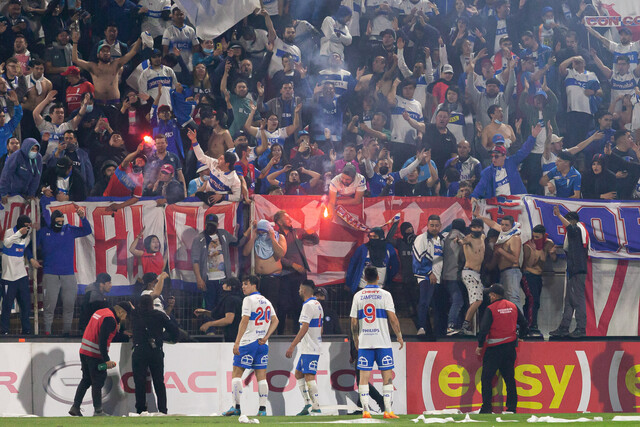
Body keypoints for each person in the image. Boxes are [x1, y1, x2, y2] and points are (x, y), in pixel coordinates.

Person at [350, 266, 403, 419]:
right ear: (378, 277)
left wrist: (356, 340)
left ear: (364, 278)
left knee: (363, 378)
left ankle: (365, 410)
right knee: (387, 377)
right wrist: (399, 336)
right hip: (383, 343)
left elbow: (354, 322)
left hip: (365, 343)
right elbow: (393, 318)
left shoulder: (358, 296)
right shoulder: (385, 295)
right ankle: (388, 410)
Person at [223, 275, 279, 417]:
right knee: (261, 377)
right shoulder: (266, 301)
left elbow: (244, 320)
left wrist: (237, 342)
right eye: (242, 284)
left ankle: (236, 407)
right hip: (262, 344)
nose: (243, 287)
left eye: (246, 284)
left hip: (248, 342)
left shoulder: (248, 300)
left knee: (236, 374)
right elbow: (275, 320)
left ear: (254, 285)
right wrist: (266, 336)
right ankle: (262, 409)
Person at [35, 206, 92, 335]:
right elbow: (31, 246)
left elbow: (87, 230)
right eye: (58, 221)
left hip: (68, 274)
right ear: (53, 221)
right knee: (49, 306)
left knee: (69, 305)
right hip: (50, 274)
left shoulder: (69, 230)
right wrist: (32, 258)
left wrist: (82, 217)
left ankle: (67, 332)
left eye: (62, 221)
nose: (60, 224)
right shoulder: (44, 232)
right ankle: (47, 332)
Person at [476, 284, 528, 414]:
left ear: (493, 295)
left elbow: (483, 330)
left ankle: (487, 408)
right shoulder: (513, 306)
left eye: (490, 294)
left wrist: (480, 345)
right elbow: (524, 323)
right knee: (509, 379)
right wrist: (521, 336)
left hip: (494, 350)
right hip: (510, 348)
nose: (489, 296)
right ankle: (511, 408)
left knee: (486, 378)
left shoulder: (491, 309)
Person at [130, 294, 179, 414]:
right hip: (155, 350)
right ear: (152, 304)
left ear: (139, 304)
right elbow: (174, 330)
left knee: (139, 381)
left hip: (139, 350)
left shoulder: (135, 315)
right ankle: (162, 410)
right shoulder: (159, 315)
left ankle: (140, 409)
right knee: (158, 382)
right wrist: (163, 337)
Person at [471, 124, 542, 203]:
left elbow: (524, 150)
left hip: (518, 202)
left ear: (504, 156)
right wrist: (474, 196)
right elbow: (480, 186)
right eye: (493, 156)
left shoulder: (512, 161)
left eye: (496, 156)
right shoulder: (487, 172)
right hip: (499, 205)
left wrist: (533, 137)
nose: (493, 159)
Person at [273, 210, 319, 334]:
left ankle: (297, 334)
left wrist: (312, 232)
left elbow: (315, 240)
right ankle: (280, 334)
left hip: (300, 276)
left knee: (299, 305)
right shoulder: (275, 235)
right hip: (284, 275)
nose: (290, 220)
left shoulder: (297, 232)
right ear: (279, 221)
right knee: (282, 305)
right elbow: (277, 255)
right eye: (287, 218)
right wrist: (293, 264)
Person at [71, 30, 141, 105]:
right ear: (98, 55)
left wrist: (140, 38)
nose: (106, 53)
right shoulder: (93, 66)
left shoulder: (116, 64)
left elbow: (132, 52)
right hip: (99, 103)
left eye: (107, 51)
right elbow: (75, 59)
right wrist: (75, 42)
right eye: (103, 51)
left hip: (115, 102)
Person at [285, 280, 323, 416]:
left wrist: (292, 346)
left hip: (310, 348)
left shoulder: (308, 306)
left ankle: (316, 406)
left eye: (300, 288)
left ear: (304, 290)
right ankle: (307, 404)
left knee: (309, 376)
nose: (298, 291)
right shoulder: (317, 304)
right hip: (310, 346)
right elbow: (320, 327)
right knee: (299, 374)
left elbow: (304, 328)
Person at [550, 207, 589, 338]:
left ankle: (581, 328)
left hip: (577, 269)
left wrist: (559, 215)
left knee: (577, 299)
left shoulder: (576, 229)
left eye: (566, 221)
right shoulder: (578, 233)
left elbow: (571, 229)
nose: (564, 224)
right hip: (574, 269)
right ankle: (564, 327)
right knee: (569, 300)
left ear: (572, 221)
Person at [191, 214, 237, 311]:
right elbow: (195, 261)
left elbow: (237, 242)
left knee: (223, 307)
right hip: (208, 280)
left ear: (217, 224)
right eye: (208, 225)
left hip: (224, 279)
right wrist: (199, 279)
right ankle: (209, 326)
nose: (210, 227)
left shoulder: (223, 234)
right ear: (205, 224)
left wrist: (247, 232)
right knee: (209, 307)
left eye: (213, 225)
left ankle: (220, 326)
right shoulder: (199, 239)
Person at [479, 215, 523, 312]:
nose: (503, 227)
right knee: (507, 300)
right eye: (502, 224)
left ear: (512, 226)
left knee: (513, 298)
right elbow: (493, 224)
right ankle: (512, 324)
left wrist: (500, 251)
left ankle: (520, 325)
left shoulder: (514, 237)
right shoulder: (505, 234)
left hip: (512, 271)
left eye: (506, 225)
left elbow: (515, 259)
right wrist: (479, 216)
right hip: (504, 272)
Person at [1, 215, 35, 334]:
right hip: (8, 277)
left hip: (21, 276)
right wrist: (19, 233)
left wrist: (25, 233)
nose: (27, 229)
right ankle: (4, 330)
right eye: (25, 226)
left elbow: (25, 247)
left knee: (25, 305)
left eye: (28, 227)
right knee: (6, 306)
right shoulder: (10, 232)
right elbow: (6, 243)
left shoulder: (28, 236)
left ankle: (26, 330)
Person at [187, 129, 242, 203]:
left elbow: (237, 197)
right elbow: (201, 157)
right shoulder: (214, 163)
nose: (218, 159)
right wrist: (194, 140)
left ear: (227, 164)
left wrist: (222, 197)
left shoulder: (234, 179)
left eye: (221, 159)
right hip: (205, 196)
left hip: (221, 205)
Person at [522, 225, 556, 338]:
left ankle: (525, 325)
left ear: (543, 236)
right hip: (528, 275)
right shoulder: (528, 246)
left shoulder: (548, 243)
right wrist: (535, 251)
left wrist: (552, 253)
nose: (535, 239)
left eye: (538, 237)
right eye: (534, 236)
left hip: (538, 276)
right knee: (534, 300)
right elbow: (529, 264)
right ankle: (532, 326)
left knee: (531, 302)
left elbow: (554, 260)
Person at [412, 215, 443, 337]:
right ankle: (421, 327)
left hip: (438, 277)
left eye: (436, 225)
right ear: (427, 225)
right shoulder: (421, 238)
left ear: (440, 226)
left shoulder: (440, 239)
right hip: (425, 277)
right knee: (424, 302)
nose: (434, 228)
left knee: (435, 306)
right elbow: (418, 258)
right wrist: (429, 273)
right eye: (432, 225)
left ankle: (435, 332)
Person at [346, 227, 399, 293]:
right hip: (363, 287)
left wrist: (388, 278)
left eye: (375, 236)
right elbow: (352, 265)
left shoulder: (388, 248)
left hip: (381, 287)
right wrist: (348, 282)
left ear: (381, 236)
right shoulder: (363, 248)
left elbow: (395, 266)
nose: (372, 239)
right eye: (370, 236)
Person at [457, 218, 486, 336]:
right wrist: (458, 241)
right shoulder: (468, 238)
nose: (477, 229)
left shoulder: (483, 237)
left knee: (475, 301)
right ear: (471, 228)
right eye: (474, 227)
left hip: (478, 274)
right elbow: (462, 241)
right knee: (478, 300)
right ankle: (465, 325)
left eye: (479, 227)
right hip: (469, 273)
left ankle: (472, 328)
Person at [441, 219, 465, 336]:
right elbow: (462, 257)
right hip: (455, 274)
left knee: (454, 300)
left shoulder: (445, 238)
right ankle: (451, 325)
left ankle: (457, 326)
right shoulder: (460, 239)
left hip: (446, 274)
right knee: (458, 300)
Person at [0, 137, 42, 204]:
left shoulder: (38, 158)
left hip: (25, 193)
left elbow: (36, 177)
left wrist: (31, 194)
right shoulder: (16, 156)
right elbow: (6, 175)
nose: (34, 152)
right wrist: (3, 193)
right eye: (32, 149)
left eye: (36, 149)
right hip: (11, 191)